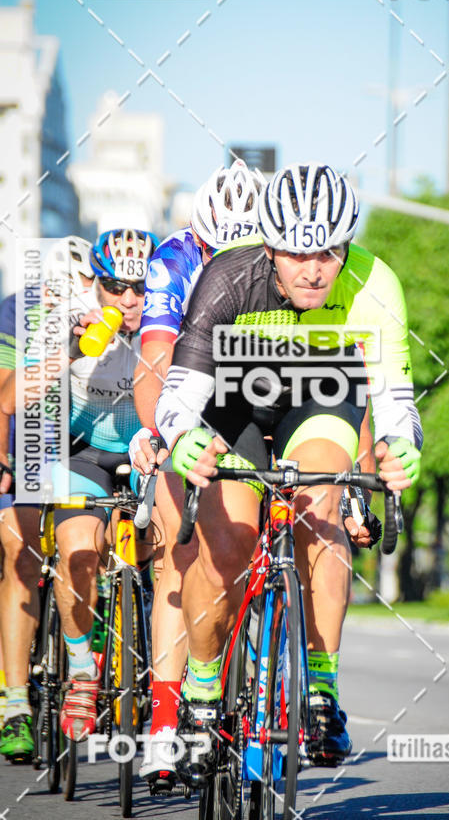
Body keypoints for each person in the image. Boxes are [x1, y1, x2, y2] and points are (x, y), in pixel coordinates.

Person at [153, 163, 423, 785]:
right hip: (234, 400)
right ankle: (201, 692)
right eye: (297, 253)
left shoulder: (376, 282)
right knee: (229, 542)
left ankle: (321, 690)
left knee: (321, 502)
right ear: (269, 247)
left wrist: (402, 445)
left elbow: (395, 395)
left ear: (346, 246)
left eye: (328, 252)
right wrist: (182, 437)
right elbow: (180, 389)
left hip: (321, 393)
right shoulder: (229, 276)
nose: (313, 270)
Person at [130, 160, 264, 790]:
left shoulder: (286, 263)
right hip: (188, 398)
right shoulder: (175, 260)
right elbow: (155, 360)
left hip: (260, 399)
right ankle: (163, 724)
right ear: (200, 238)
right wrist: (163, 433)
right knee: (178, 560)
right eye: (218, 251)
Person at [0, 228, 158, 743]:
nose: (128, 299)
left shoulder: (167, 319)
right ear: (95, 283)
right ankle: (83, 670)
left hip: (147, 447)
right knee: (77, 553)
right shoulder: (66, 317)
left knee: (170, 554)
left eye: (140, 287)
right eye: (116, 287)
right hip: (82, 449)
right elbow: (10, 400)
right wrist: (68, 348)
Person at [0, 236, 94, 762]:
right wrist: (3, 461)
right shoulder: (18, 311)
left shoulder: (107, 313)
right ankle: (15, 704)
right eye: (58, 288)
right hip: (27, 442)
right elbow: (4, 396)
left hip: (79, 445)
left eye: (81, 286)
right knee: (21, 548)